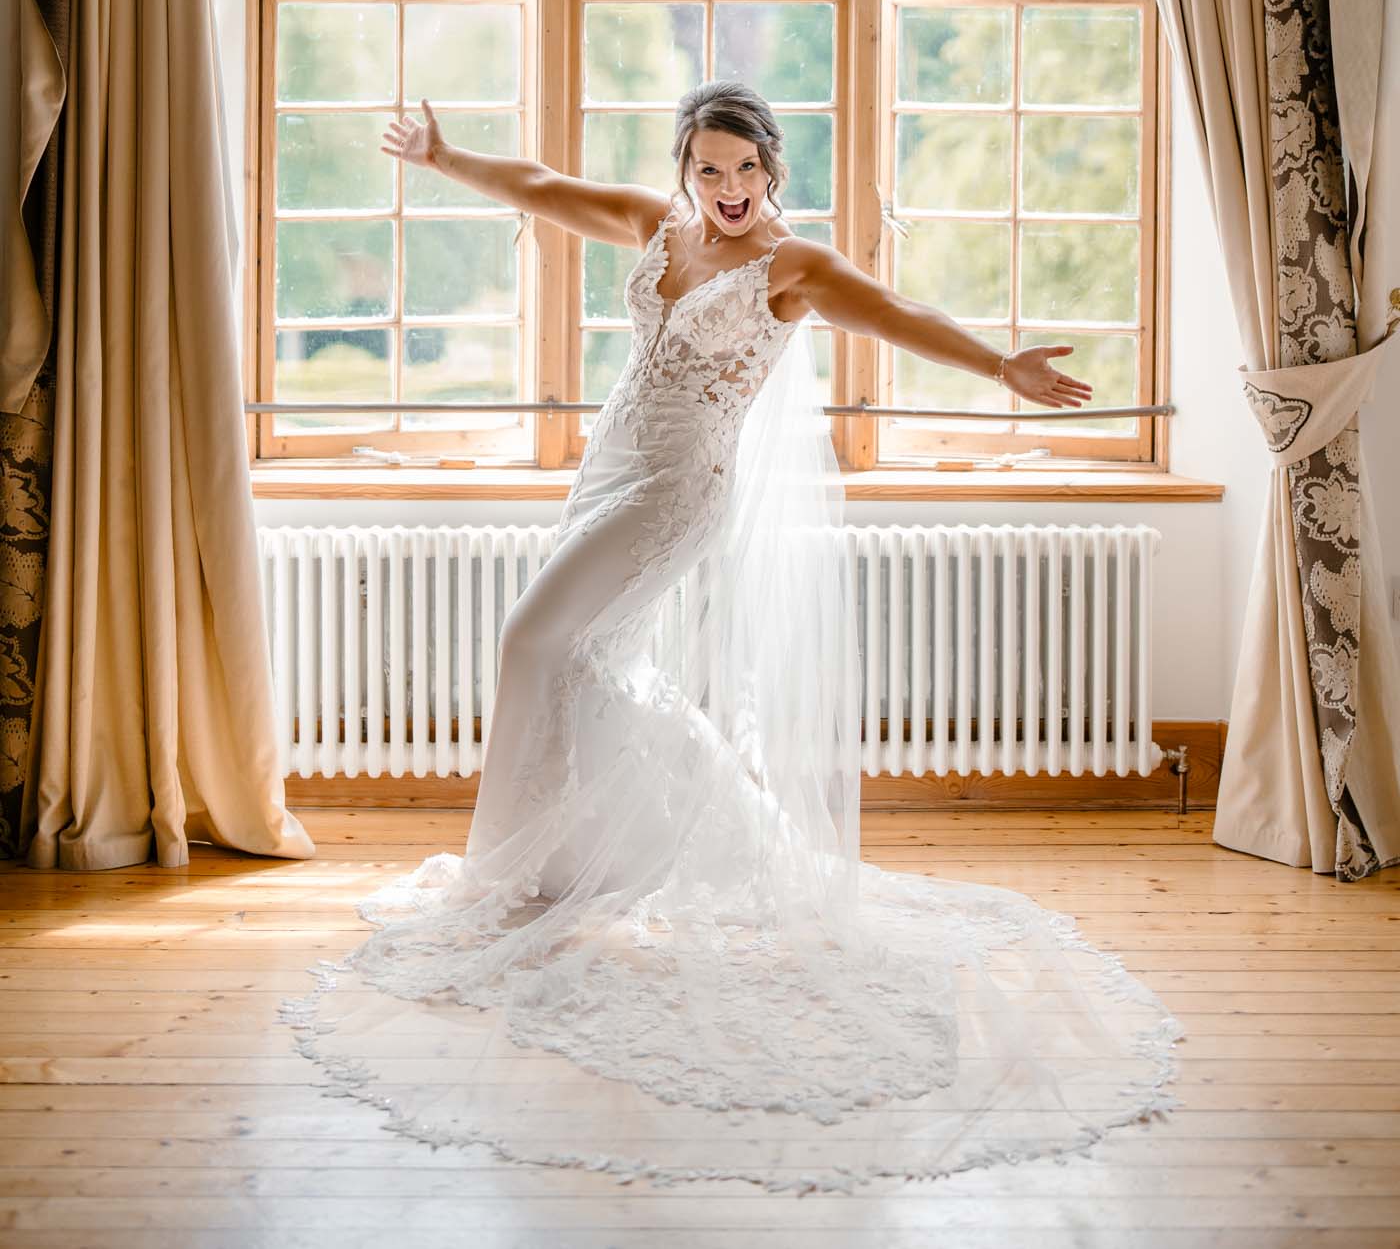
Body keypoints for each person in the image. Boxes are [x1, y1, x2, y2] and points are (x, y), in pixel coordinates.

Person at [278, 80, 1182, 1193]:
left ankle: (504, 876)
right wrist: (443, 156)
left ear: (771, 169)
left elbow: (895, 314)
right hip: (605, 467)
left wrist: (1000, 369)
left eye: (741, 171)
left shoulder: (792, 269)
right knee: (588, 661)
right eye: (704, 171)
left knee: (529, 641)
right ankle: (577, 864)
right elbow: (543, 187)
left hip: (677, 489)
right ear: (683, 172)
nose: (724, 192)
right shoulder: (656, 228)